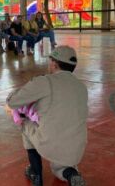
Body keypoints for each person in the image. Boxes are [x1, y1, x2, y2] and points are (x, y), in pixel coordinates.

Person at [5, 46, 88, 186]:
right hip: (77, 148)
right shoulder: (81, 86)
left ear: (54, 64)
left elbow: (12, 102)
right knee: (60, 168)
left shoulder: (45, 81)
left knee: (25, 124)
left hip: (50, 143)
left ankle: (35, 173)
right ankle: (71, 174)